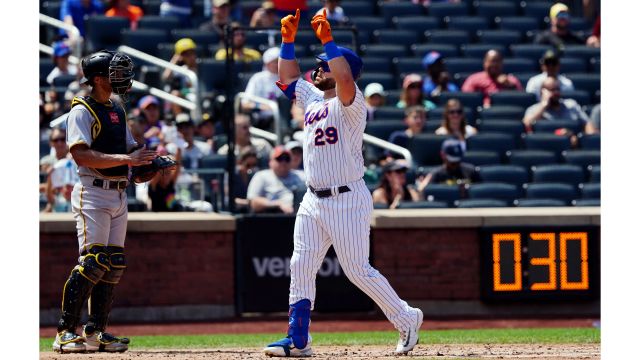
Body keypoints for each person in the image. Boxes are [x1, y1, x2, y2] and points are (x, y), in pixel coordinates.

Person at [263, 9, 423, 357]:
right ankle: (298, 339)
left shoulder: (352, 102)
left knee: (357, 270)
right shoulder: (313, 98)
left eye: (324, 64)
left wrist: (329, 41)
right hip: (313, 198)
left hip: (347, 198)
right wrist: (287, 42)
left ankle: (406, 317)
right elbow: (289, 79)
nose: (317, 69)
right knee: (300, 265)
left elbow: (345, 81)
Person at [52, 50, 160, 353]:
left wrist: (149, 164)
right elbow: (80, 153)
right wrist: (128, 158)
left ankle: (96, 332)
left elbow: (131, 155)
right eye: (116, 73)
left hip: (118, 192)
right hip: (93, 192)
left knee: (114, 263)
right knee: (93, 262)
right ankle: (64, 331)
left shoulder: (117, 108)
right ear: (99, 78)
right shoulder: (82, 110)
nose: (123, 78)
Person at [246, 146, 306, 214]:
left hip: (298, 215)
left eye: (287, 159)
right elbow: (253, 202)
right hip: (273, 218)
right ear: (270, 162)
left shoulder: (301, 175)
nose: (283, 162)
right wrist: (278, 204)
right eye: (279, 159)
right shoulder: (261, 176)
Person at [522, 76, 589, 129]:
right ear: (542, 92)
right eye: (552, 90)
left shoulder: (571, 104)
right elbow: (526, 124)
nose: (556, 93)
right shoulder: (534, 109)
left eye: (557, 89)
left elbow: (587, 123)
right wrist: (544, 105)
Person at [242, 47, 282, 128]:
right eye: (276, 61)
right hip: (264, 121)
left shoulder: (288, 78)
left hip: (284, 118)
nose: (279, 64)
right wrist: (263, 107)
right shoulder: (258, 78)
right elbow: (245, 104)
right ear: (267, 63)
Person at [148, 147, 182, 211]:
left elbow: (178, 167)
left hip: (172, 216)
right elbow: (158, 171)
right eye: (165, 173)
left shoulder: (171, 183)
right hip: (157, 218)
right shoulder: (154, 185)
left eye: (169, 173)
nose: (167, 175)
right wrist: (162, 159)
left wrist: (179, 147)